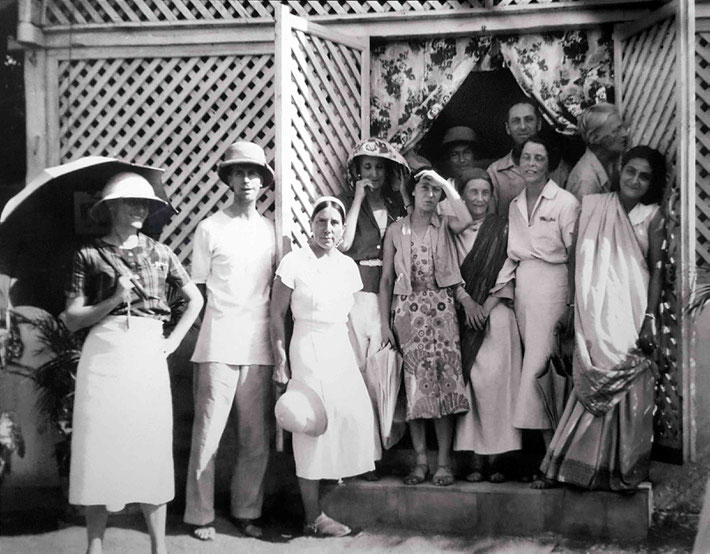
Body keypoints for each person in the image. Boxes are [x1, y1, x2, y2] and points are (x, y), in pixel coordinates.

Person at [64, 172, 203, 554]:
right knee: (99, 447)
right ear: (110, 208)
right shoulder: (89, 255)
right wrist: (112, 298)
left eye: (145, 203)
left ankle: (158, 546)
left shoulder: (161, 252)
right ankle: (96, 545)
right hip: (103, 354)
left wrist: (172, 342)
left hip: (146, 351)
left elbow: (195, 300)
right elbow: (72, 317)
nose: (140, 208)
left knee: (150, 445)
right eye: (131, 201)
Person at [539, 146, 666, 490]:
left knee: (627, 386)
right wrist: (571, 306)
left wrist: (650, 318)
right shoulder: (594, 207)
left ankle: (621, 470)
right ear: (620, 170)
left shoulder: (651, 216)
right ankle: (578, 468)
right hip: (593, 312)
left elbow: (656, 271)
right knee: (589, 384)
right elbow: (575, 259)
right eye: (631, 171)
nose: (635, 180)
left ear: (652, 183)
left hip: (631, 312)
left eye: (644, 176)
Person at [183, 141, 276, 541]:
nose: (246, 180)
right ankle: (200, 515)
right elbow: (198, 292)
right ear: (229, 179)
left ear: (263, 181)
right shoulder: (209, 228)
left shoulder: (273, 229)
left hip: (259, 346)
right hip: (218, 343)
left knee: (256, 438)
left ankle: (245, 509)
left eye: (253, 173)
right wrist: (218, 326)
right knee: (208, 436)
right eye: (238, 173)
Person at [270, 196, 375, 537]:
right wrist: (281, 361)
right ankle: (312, 515)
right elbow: (275, 315)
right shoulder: (294, 261)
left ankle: (334, 484)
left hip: (340, 349)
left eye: (333, 223)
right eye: (321, 221)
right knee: (311, 426)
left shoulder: (347, 266)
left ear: (342, 229)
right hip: (307, 347)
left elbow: (349, 318)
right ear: (310, 225)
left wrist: (358, 359)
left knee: (353, 415)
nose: (327, 229)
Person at [491, 137, 580, 482]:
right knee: (531, 365)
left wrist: (571, 303)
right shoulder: (514, 204)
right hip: (524, 289)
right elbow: (514, 254)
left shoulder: (565, 202)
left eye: (538, 158)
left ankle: (551, 462)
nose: (530, 164)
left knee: (542, 370)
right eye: (525, 157)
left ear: (550, 164)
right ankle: (548, 457)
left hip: (553, 286)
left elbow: (573, 256)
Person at [379, 168, 473, 487]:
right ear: (412, 193)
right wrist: (384, 324)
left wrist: (445, 181)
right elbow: (387, 281)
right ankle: (420, 462)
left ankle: (444, 462)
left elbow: (466, 218)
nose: (430, 195)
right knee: (417, 386)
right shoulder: (396, 230)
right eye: (424, 188)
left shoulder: (444, 224)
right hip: (407, 312)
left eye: (435, 190)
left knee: (444, 386)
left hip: (442, 312)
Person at [339, 138, 409, 477]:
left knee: (385, 373)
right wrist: (356, 200)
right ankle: (365, 455)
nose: (374, 173)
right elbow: (344, 244)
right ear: (356, 171)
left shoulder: (397, 206)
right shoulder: (345, 203)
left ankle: (386, 445)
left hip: (390, 297)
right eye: (367, 166)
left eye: (380, 166)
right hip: (356, 297)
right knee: (358, 375)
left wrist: (404, 194)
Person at [451, 168, 522, 483]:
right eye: (472, 193)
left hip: (496, 316)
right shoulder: (451, 231)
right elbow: (447, 269)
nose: (479, 199)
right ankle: (475, 458)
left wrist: (486, 305)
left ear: (492, 196)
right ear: (462, 195)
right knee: (472, 387)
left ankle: (497, 459)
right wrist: (467, 302)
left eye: (484, 193)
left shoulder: (503, 229)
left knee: (497, 388)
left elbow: (510, 268)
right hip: (466, 317)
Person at [487, 100, 570, 216]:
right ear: (507, 128)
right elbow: (489, 222)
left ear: (539, 124)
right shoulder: (495, 173)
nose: (522, 126)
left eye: (528, 119)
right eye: (516, 121)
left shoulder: (558, 168)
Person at [567, 103, 629, 201]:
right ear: (594, 138)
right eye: (616, 131)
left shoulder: (611, 161)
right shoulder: (586, 182)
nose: (624, 134)